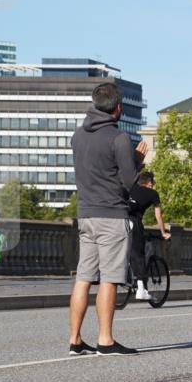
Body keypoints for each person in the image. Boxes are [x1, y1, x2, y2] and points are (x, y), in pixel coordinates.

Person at [68, 82, 147, 356]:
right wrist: (137, 160)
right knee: (110, 279)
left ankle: (75, 340)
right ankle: (105, 340)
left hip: (85, 214)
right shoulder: (119, 138)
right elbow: (130, 182)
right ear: (118, 108)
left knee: (83, 278)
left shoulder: (77, 136)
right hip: (111, 215)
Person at [127, 171, 171, 301]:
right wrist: (163, 232)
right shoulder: (153, 194)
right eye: (153, 183)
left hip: (117, 219)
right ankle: (141, 289)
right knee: (138, 254)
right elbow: (158, 215)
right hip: (133, 221)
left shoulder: (131, 187)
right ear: (150, 183)